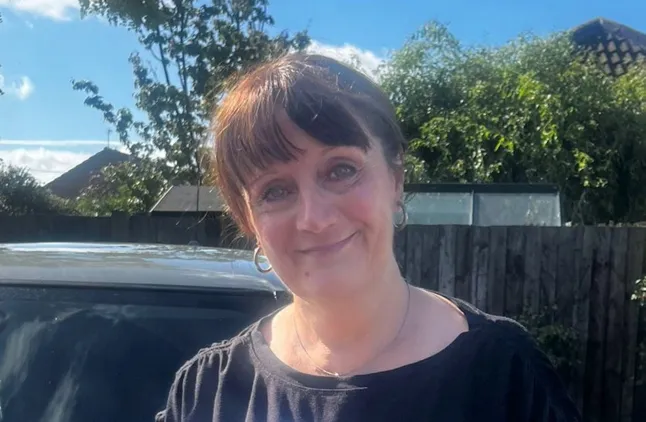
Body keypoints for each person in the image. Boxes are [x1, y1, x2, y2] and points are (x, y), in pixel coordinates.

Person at [155, 53, 581, 422]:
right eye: (275, 191)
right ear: (248, 220)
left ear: (395, 179)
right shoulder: (205, 392)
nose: (314, 218)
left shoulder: (507, 374)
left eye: (341, 170)